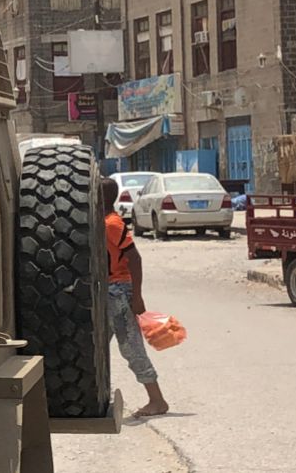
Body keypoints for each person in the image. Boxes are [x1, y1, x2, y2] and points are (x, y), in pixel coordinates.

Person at [103, 176, 169, 418]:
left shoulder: (112, 224)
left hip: (118, 291)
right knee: (98, 347)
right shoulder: (105, 221)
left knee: (131, 347)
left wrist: (137, 296)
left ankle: (157, 400)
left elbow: (134, 258)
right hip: (109, 291)